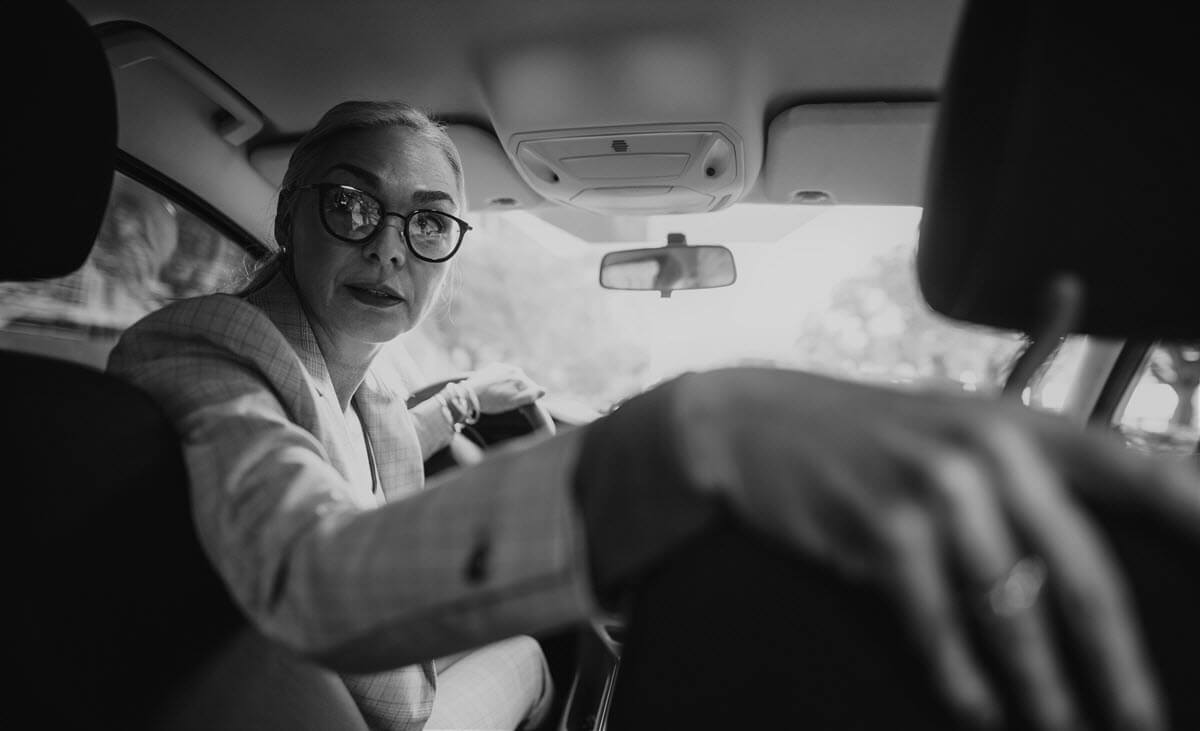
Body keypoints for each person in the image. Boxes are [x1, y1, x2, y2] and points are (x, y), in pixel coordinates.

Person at [107, 100, 1200, 730]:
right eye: (353, 204)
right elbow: (302, 560)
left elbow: (368, 436)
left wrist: (472, 403)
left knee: (530, 645)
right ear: (293, 213)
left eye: (429, 221)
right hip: (337, 699)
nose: (390, 244)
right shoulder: (209, 346)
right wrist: (679, 439)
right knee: (538, 649)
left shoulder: (369, 381)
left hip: (372, 687)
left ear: (449, 250)